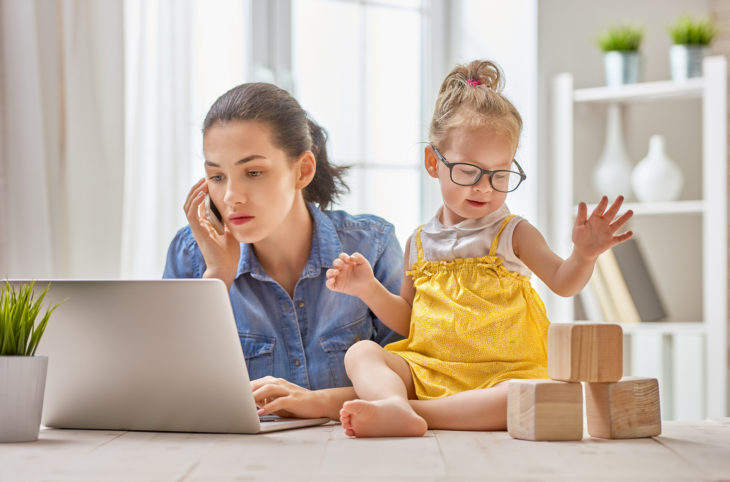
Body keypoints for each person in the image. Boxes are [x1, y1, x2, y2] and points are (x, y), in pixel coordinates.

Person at [325, 59, 634, 437]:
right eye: (469, 172)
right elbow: (410, 321)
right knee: (361, 354)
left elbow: (564, 283)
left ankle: (410, 412)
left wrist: (583, 256)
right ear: (432, 162)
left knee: (528, 395)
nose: (484, 188)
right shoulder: (418, 243)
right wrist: (368, 289)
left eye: (500, 174)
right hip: (429, 369)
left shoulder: (513, 233)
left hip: (503, 374)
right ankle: (395, 404)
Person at [163, 82, 403, 420]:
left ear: (302, 170)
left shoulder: (370, 245)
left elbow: (419, 376)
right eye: (216, 177)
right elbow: (169, 393)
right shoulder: (190, 256)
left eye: (254, 172)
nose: (231, 195)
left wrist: (316, 402)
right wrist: (216, 279)